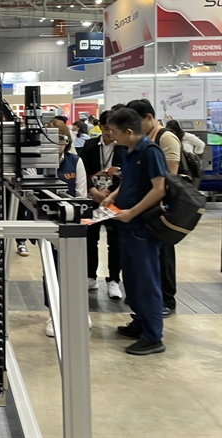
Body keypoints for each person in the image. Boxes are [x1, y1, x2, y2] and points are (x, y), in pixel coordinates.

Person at [101, 108, 167, 355]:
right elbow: (128, 182)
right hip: (126, 225)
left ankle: (153, 336)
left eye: (115, 132)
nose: (112, 136)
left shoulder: (150, 152)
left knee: (146, 281)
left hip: (142, 227)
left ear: (128, 131)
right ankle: (140, 322)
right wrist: (112, 197)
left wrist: (133, 212)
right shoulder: (128, 151)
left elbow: (158, 189)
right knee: (132, 278)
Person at [126, 99, 180, 318]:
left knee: (163, 256)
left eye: (136, 120)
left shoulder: (164, 138)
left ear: (148, 117)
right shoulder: (143, 140)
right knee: (148, 263)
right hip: (145, 211)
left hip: (161, 210)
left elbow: (169, 179)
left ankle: (167, 300)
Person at [44, 128, 88, 337]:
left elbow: (81, 193)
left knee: (75, 268)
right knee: (52, 269)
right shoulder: (37, 161)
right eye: (52, 139)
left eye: (61, 139)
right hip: (47, 223)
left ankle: (79, 311)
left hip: (72, 222)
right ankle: (53, 313)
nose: (57, 144)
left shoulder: (75, 162)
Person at [79, 110, 125, 299]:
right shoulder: (90, 145)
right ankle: (90, 276)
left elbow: (125, 174)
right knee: (90, 239)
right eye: (106, 129)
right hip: (92, 199)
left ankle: (113, 280)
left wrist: (109, 193)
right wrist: (94, 192)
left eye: (113, 129)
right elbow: (83, 170)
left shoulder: (123, 147)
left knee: (115, 242)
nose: (110, 133)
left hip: (114, 200)